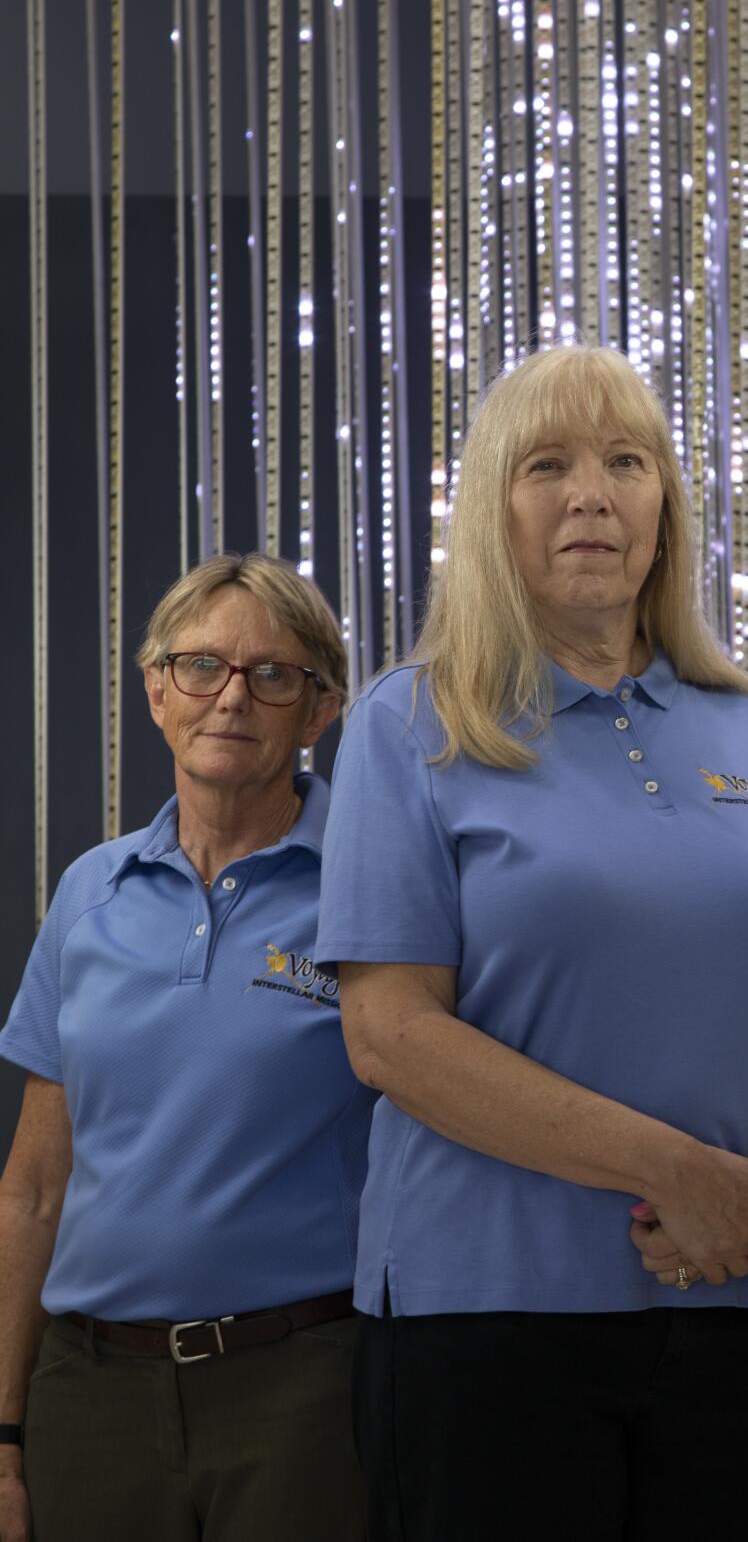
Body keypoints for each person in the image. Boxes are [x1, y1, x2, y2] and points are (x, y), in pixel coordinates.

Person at [314, 344, 748, 1542]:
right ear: (491, 510)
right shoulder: (410, 723)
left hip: (730, 1293)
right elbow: (390, 1035)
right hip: (486, 1317)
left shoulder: (744, 721)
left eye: (628, 462)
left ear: (664, 507)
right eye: (548, 465)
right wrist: (674, 1173)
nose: (592, 494)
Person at [0, 553, 376, 1542]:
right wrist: (2, 1431)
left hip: (301, 1388)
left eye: (273, 673)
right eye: (201, 665)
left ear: (320, 709)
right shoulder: (90, 893)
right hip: (89, 1394)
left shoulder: (374, 894)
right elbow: (35, 1187)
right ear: (156, 689)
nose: (232, 697)